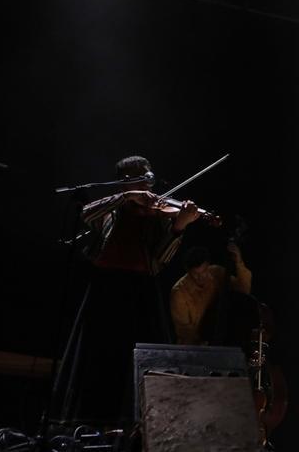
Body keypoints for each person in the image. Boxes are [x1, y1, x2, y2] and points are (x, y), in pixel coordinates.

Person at [68, 155, 201, 424]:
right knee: (100, 357)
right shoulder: (113, 209)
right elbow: (86, 213)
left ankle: (145, 426)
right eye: (140, 176)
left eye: (148, 175)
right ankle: (90, 422)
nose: (147, 182)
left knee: (146, 359)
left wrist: (179, 226)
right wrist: (126, 197)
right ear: (124, 182)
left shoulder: (158, 213)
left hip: (142, 290)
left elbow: (160, 261)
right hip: (106, 287)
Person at [170, 243, 253, 346]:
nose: (201, 277)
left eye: (204, 271)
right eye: (196, 274)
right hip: (195, 346)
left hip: (222, 336)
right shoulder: (179, 292)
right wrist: (203, 344)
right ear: (188, 272)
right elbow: (184, 330)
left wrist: (238, 263)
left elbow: (243, 291)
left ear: (208, 265)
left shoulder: (217, 272)